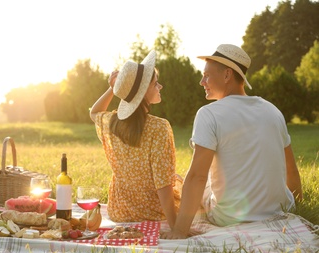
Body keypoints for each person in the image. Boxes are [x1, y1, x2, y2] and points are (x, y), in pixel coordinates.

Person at [160, 44, 303, 239]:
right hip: (279, 210)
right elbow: (291, 169)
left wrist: (179, 231)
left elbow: (197, 178)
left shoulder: (208, 114)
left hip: (228, 217)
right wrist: (296, 209)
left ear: (227, 75)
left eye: (207, 75)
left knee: (191, 180)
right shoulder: (273, 111)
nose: (202, 81)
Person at [89, 50, 181, 229]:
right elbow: (162, 183)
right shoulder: (159, 128)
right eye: (155, 84)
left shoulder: (112, 123)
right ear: (143, 91)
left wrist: (112, 89)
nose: (160, 86)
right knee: (187, 188)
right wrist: (175, 225)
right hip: (153, 212)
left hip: (120, 211)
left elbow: (94, 112)